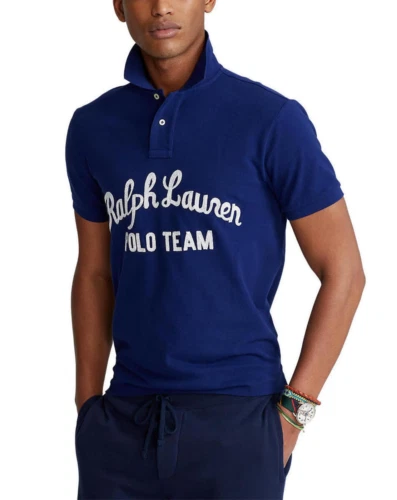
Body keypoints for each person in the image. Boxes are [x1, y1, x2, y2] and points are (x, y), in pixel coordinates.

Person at [65, 1, 366, 498]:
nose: (161, 7)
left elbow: (345, 271)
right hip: (122, 423)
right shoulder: (92, 127)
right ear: (118, 6)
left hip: (239, 420)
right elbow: (94, 272)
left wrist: (293, 415)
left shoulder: (271, 120)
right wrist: (87, 409)